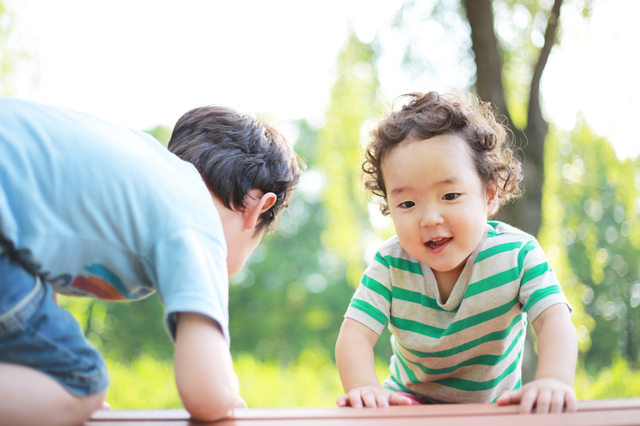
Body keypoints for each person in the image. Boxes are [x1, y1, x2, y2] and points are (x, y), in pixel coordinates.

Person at [0, 98, 303, 425]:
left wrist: (42, 392)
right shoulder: (198, 221)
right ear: (258, 207)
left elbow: (34, 277)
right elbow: (207, 396)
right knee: (80, 383)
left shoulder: (141, 171)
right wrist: (225, 394)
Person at [335, 91, 577, 414]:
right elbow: (354, 336)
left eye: (449, 195)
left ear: (489, 195)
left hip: (494, 409)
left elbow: (554, 321)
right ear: (389, 207)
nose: (430, 218)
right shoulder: (390, 265)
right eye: (407, 203)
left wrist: (554, 380)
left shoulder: (518, 255)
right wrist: (365, 388)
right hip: (409, 404)